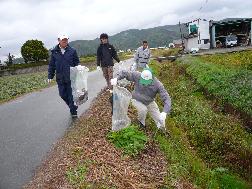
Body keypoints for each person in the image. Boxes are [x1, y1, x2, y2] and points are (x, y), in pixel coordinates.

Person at [48, 34, 80, 118]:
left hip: (71, 77)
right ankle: (72, 106)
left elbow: (76, 62)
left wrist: (78, 69)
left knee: (71, 95)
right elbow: (51, 65)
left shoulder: (72, 50)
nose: (65, 41)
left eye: (66, 40)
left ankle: (73, 111)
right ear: (59, 40)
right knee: (62, 94)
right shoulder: (54, 52)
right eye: (63, 40)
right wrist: (50, 76)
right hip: (60, 78)